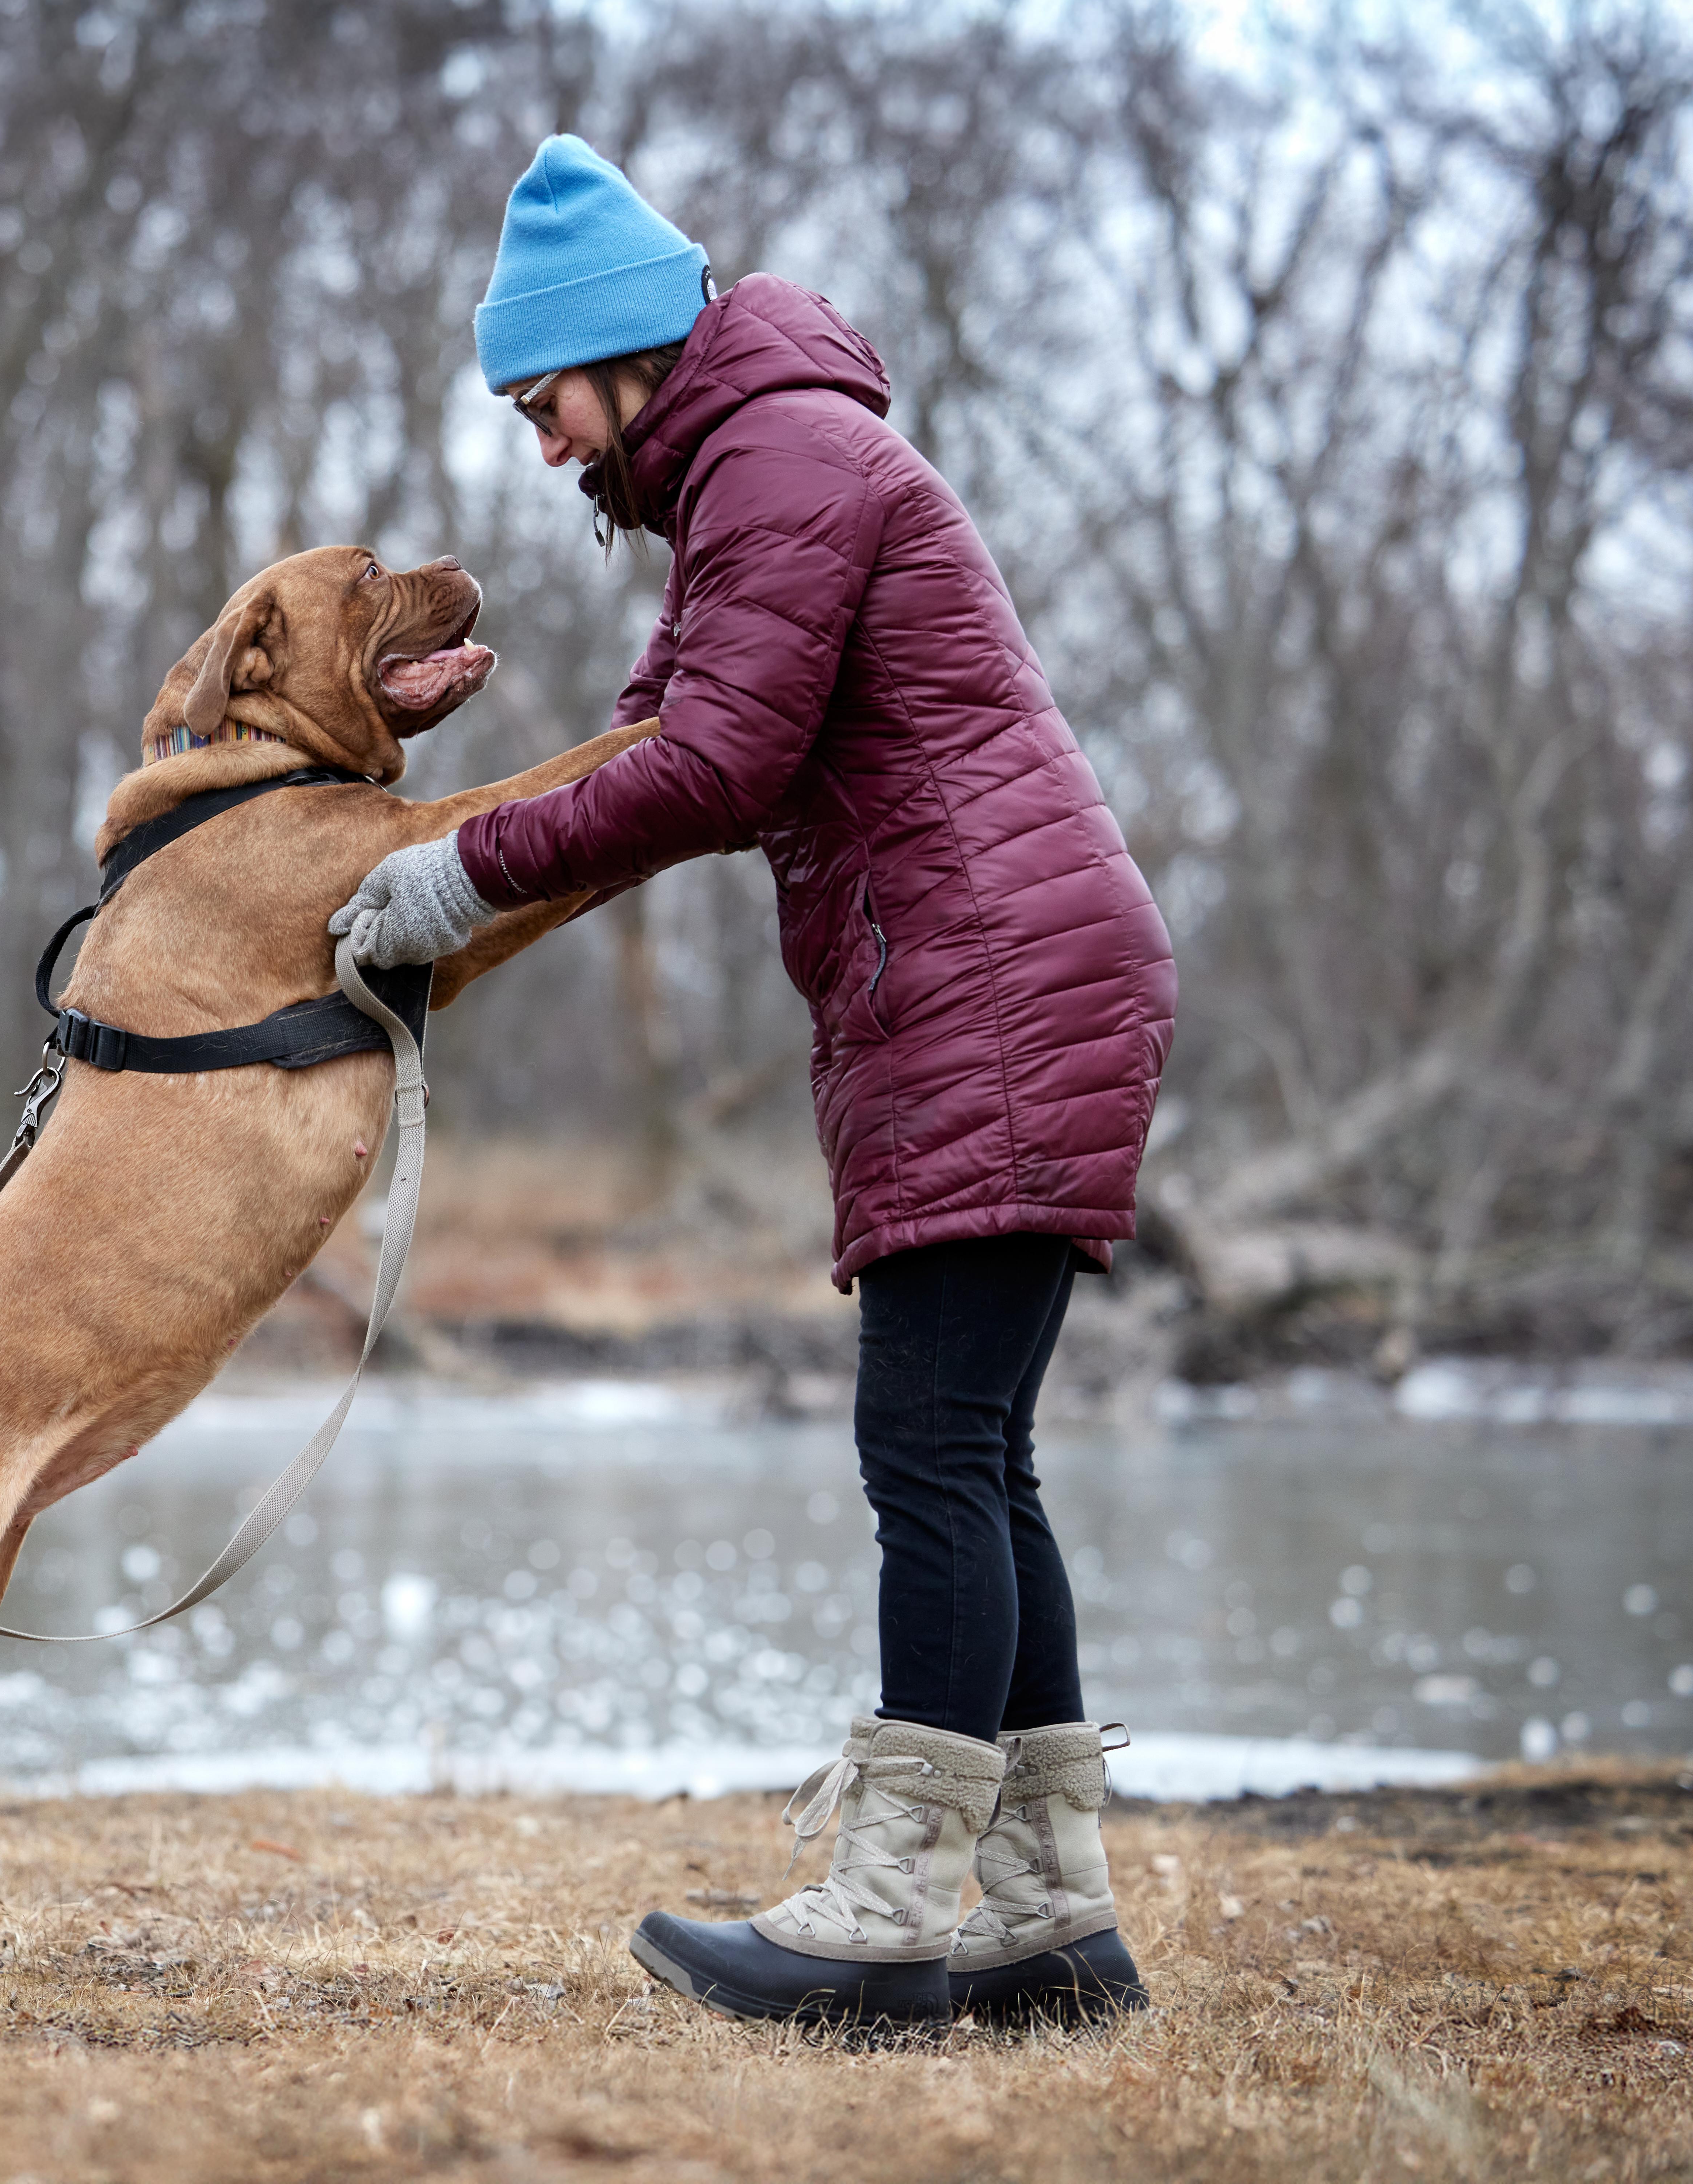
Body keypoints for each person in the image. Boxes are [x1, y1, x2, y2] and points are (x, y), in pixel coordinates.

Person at [331, 135, 1176, 2030]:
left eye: (541, 400)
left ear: (625, 354)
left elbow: (711, 767)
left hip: (991, 981)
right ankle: (1050, 1922)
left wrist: (458, 877)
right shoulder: (757, 466)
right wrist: (441, 822)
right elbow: (652, 742)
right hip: (992, 975)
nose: (542, 448)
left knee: (930, 1455)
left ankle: (885, 1924)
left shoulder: (781, 459)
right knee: (979, 1456)